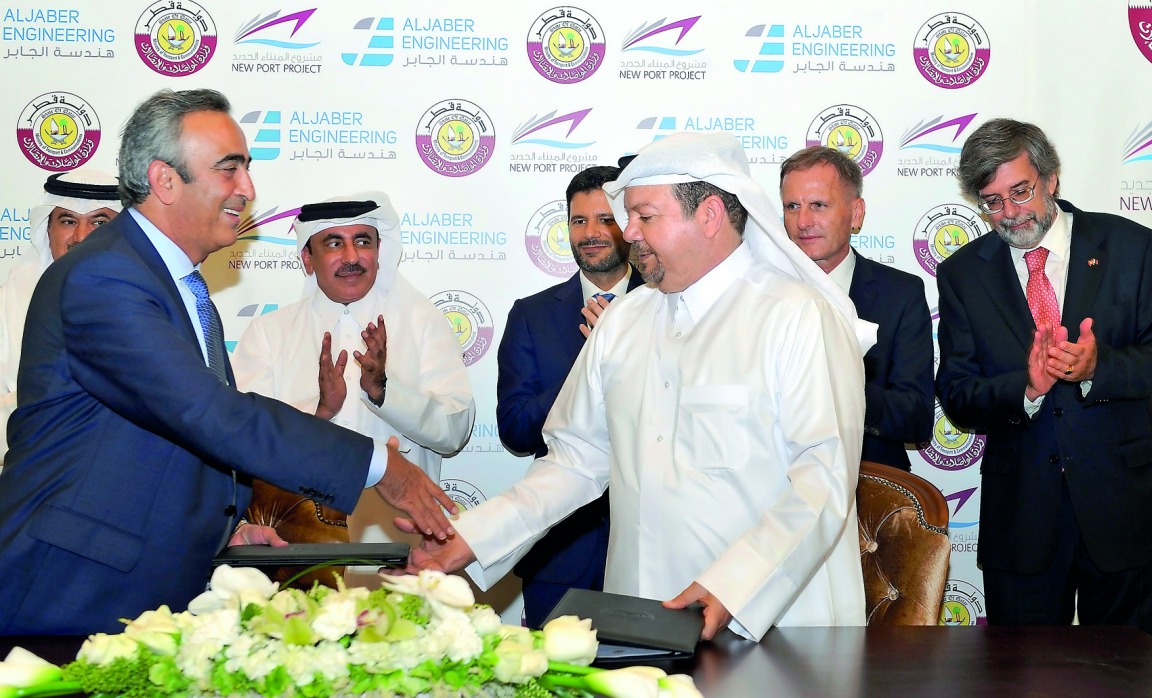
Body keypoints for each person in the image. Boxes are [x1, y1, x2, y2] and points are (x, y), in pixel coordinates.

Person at [0, 88, 457, 635]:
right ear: (165, 180)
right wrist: (383, 469)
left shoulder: (177, 285)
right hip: (72, 589)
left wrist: (226, 528)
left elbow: (170, 435)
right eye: (229, 169)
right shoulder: (106, 278)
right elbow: (209, 414)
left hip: (145, 581)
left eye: (247, 168)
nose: (248, 189)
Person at [403, 132, 874, 641]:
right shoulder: (625, 318)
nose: (628, 233)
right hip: (642, 616)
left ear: (710, 215)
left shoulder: (799, 316)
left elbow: (822, 480)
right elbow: (575, 459)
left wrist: (734, 585)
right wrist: (472, 537)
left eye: (644, 216)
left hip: (774, 620)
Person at [935, 118, 1152, 643]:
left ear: (1050, 179)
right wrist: (1024, 390)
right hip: (1023, 523)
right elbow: (958, 393)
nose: (1010, 213)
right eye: (992, 201)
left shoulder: (1130, 245)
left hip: (1128, 515)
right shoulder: (962, 273)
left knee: (1134, 683)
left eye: (1020, 191)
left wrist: (1100, 368)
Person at [232, 192, 474, 556]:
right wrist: (320, 412)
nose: (351, 257)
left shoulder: (422, 322)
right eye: (333, 243)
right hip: (295, 545)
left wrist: (383, 393)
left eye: (363, 241)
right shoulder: (268, 333)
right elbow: (244, 444)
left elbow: (455, 432)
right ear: (308, 259)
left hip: (403, 542)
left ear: (379, 252)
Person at [496, 166, 644, 627]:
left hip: (652, 549)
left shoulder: (667, 304)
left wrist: (620, 349)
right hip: (560, 553)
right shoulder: (532, 315)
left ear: (630, 224)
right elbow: (517, 430)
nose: (592, 233)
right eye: (579, 221)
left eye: (605, 219)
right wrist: (587, 362)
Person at [780, 146, 933, 471]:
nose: (803, 221)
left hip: (868, 488)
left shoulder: (900, 294)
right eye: (792, 206)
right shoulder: (760, 292)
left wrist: (842, 388)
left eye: (818, 205)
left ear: (856, 213)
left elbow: (917, 418)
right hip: (773, 490)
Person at [0, 169, 122, 463]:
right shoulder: (8, 304)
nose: (80, 237)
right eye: (68, 221)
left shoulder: (152, 306)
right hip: (22, 472)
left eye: (99, 222)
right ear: (47, 230)